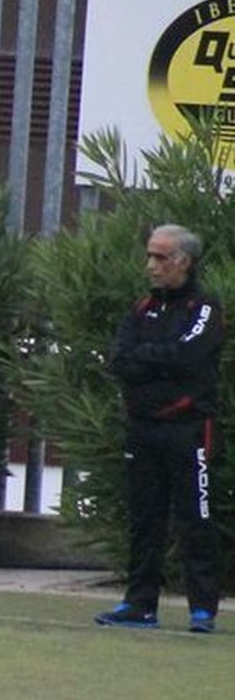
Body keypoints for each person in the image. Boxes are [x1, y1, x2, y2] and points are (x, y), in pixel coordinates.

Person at [95, 224, 223, 632]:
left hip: (187, 430)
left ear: (182, 262)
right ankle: (140, 605)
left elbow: (190, 355)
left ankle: (202, 608)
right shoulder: (141, 309)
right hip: (142, 429)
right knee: (144, 518)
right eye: (150, 255)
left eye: (160, 257)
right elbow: (119, 359)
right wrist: (156, 361)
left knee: (195, 519)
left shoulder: (204, 307)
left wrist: (149, 359)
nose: (151, 265)